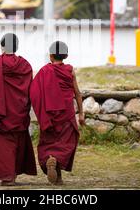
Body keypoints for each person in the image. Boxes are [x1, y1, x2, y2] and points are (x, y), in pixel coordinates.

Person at [0, 33, 37, 186]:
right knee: (18, 144)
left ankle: (7, 177)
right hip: (19, 111)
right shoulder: (25, 65)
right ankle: (12, 175)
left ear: (2, 46)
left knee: (4, 145)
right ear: (17, 46)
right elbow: (29, 88)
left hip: (2, 112)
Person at [30, 41, 85, 185]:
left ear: (51, 56)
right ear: (65, 55)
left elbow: (34, 93)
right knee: (66, 142)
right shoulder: (69, 70)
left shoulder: (44, 71)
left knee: (50, 143)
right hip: (66, 114)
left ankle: (51, 161)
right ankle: (57, 173)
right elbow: (77, 93)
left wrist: (40, 111)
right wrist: (81, 114)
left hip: (49, 115)